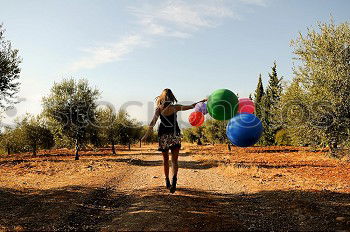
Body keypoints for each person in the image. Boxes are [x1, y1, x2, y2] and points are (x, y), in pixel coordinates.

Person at [141, 88, 207, 193]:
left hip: (163, 136)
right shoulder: (175, 107)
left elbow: (152, 122)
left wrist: (146, 135)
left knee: (166, 160)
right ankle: (174, 181)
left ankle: (167, 181)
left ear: (161, 97)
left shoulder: (159, 109)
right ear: (172, 97)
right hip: (174, 135)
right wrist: (201, 101)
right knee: (174, 161)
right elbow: (191, 106)